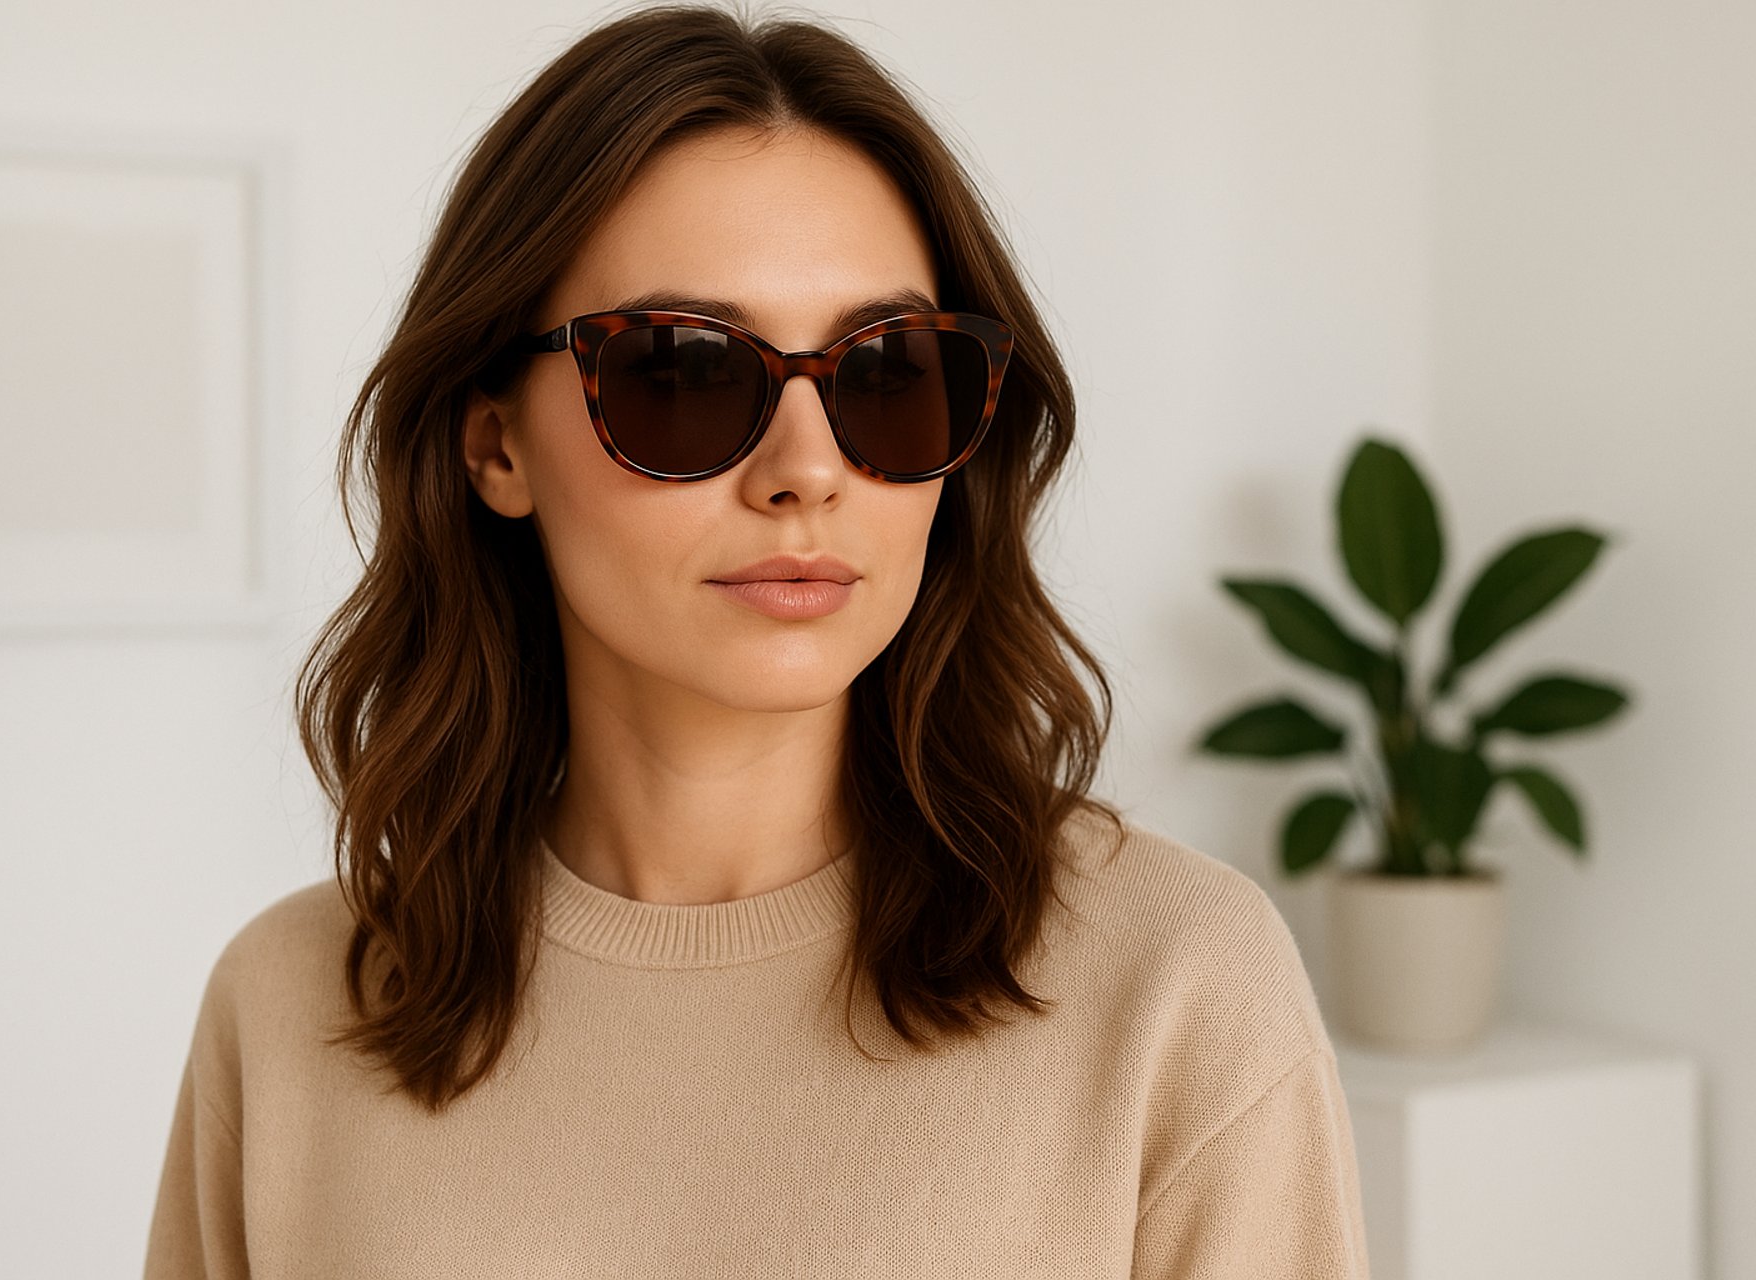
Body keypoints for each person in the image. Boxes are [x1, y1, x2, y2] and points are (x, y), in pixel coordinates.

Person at [143, 4, 1371, 1276]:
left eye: (888, 371)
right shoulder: (291, 1008)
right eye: (685, 372)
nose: (808, 470)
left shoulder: (1175, 987)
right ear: (495, 443)